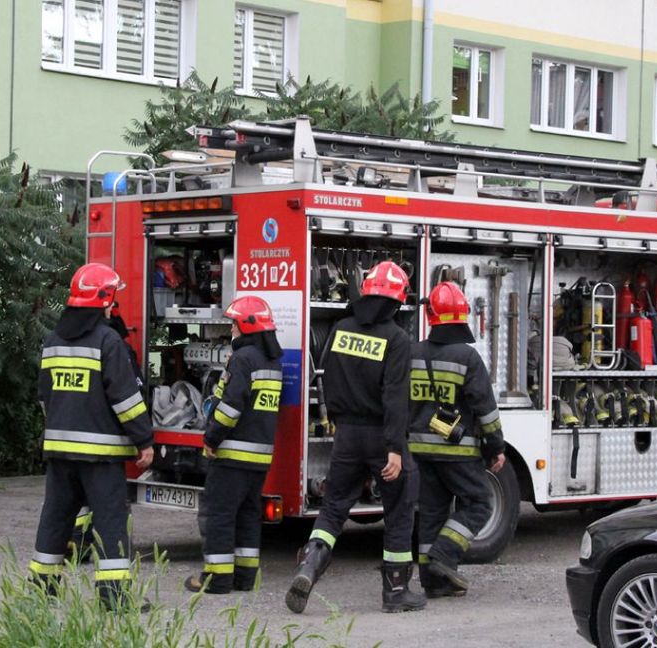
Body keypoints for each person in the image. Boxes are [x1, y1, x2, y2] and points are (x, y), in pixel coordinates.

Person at [286, 260, 424, 614]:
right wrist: (394, 449)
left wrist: (337, 421)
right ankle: (396, 592)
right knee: (398, 510)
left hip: (346, 435)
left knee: (334, 507)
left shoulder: (341, 328)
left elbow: (327, 378)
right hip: (382, 437)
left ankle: (309, 566)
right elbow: (395, 398)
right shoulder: (397, 339)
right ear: (396, 301)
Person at [28, 262, 155, 609]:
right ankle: (113, 599)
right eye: (113, 299)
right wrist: (143, 441)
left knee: (54, 520)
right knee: (111, 522)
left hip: (58, 452)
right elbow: (126, 401)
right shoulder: (108, 341)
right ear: (105, 300)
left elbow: (44, 398)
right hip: (101, 458)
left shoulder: (53, 341)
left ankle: (41, 592)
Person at [409, 281, 506, 598]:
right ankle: (444, 557)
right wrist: (496, 448)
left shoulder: (413, 353)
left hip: (419, 451)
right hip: (459, 451)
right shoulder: (468, 357)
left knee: (431, 514)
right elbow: (485, 410)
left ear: (431, 315)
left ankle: (433, 583)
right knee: (479, 503)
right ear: (461, 315)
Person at [184, 295, 284, 594]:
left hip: (231, 454)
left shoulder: (242, 359)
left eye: (233, 324)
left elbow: (231, 408)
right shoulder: (272, 361)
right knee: (248, 516)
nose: (231, 331)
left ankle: (217, 579)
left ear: (246, 326)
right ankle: (244, 577)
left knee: (220, 515)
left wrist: (212, 438)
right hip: (259, 457)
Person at [69, 302, 146, 562]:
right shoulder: (116, 347)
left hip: (68, 444)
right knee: (109, 509)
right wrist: (143, 438)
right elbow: (129, 397)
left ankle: (77, 546)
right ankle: (112, 575)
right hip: (105, 445)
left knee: (77, 500)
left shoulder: (64, 343)